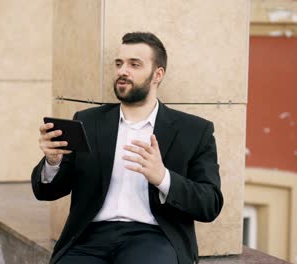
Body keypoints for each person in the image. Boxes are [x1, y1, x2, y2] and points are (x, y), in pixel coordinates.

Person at [31, 32, 223, 264]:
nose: (123, 71)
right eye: (119, 63)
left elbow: (210, 204)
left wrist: (163, 177)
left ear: (157, 74)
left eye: (135, 64)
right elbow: (48, 192)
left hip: (154, 238)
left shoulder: (194, 131)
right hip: (89, 238)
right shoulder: (88, 122)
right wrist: (53, 162)